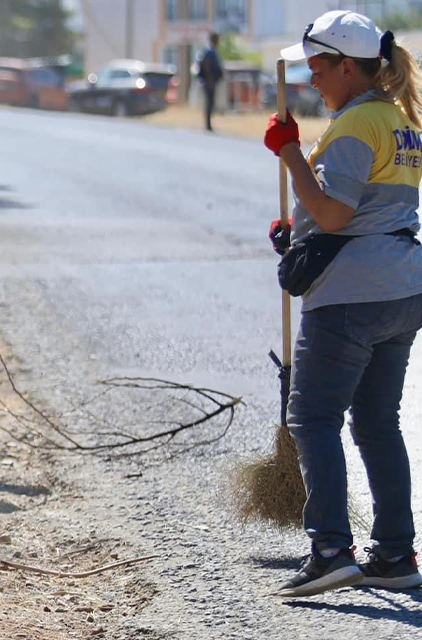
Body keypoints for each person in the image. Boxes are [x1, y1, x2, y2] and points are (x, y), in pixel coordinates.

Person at [265, 9, 422, 597]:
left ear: (350, 67)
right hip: (404, 286)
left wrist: (291, 156)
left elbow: (335, 212)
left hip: (353, 295)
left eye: (319, 68)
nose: (311, 81)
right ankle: (395, 555)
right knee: (379, 422)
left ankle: (331, 549)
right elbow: (358, 211)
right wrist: (299, 228)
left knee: (312, 418)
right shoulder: (399, 118)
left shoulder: (356, 125)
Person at [198, 32, 224, 131]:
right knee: (209, 102)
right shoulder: (209, 51)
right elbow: (207, 65)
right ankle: (207, 124)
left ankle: (208, 123)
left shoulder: (212, 51)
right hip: (209, 81)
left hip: (211, 81)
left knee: (211, 102)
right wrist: (210, 80)